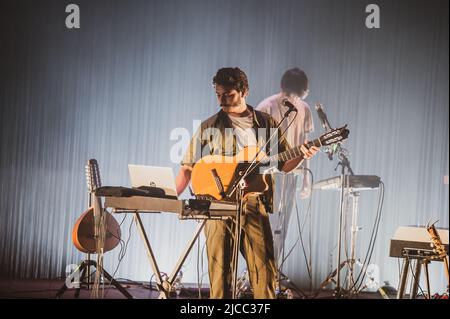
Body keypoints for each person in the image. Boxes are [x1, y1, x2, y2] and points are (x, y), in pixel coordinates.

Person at [175, 67, 318, 299]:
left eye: (228, 94)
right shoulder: (209, 126)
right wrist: (171, 197)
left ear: (244, 92)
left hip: (253, 203)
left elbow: (282, 165)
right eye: (219, 94)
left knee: (264, 271)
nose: (222, 100)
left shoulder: (267, 123)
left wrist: (302, 153)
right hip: (218, 207)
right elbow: (188, 167)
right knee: (219, 274)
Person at [255, 67, 314, 287]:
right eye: (291, 94)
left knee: (283, 227)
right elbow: (258, 146)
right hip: (268, 176)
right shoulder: (267, 106)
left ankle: (273, 272)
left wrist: (306, 180)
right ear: (283, 89)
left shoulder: (305, 108)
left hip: (293, 174)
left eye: (298, 95)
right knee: (267, 226)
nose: (294, 99)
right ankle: (260, 273)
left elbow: (306, 146)